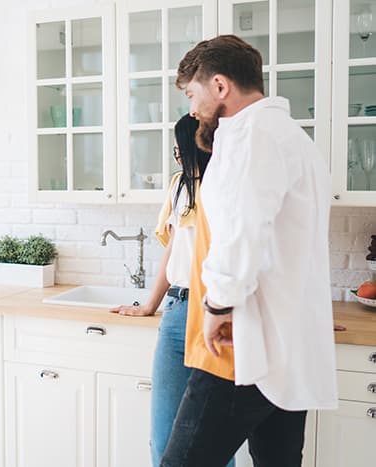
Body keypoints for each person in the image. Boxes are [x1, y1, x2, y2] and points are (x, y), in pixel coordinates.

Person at [160, 35, 338, 466]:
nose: (191, 109)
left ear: (220, 86)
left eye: (192, 93)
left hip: (243, 345)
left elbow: (241, 231)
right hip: (285, 347)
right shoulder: (291, 137)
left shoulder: (250, 136)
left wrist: (218, 307)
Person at [112, 115, 234, 467]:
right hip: (178, 311)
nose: (178, 159)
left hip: (217, 313)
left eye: (182, 152)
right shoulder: (180, 185)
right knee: (164, 437)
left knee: (215, 442)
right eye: (176, 153)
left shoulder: (228, 187)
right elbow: (175, 246)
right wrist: (150, 304)